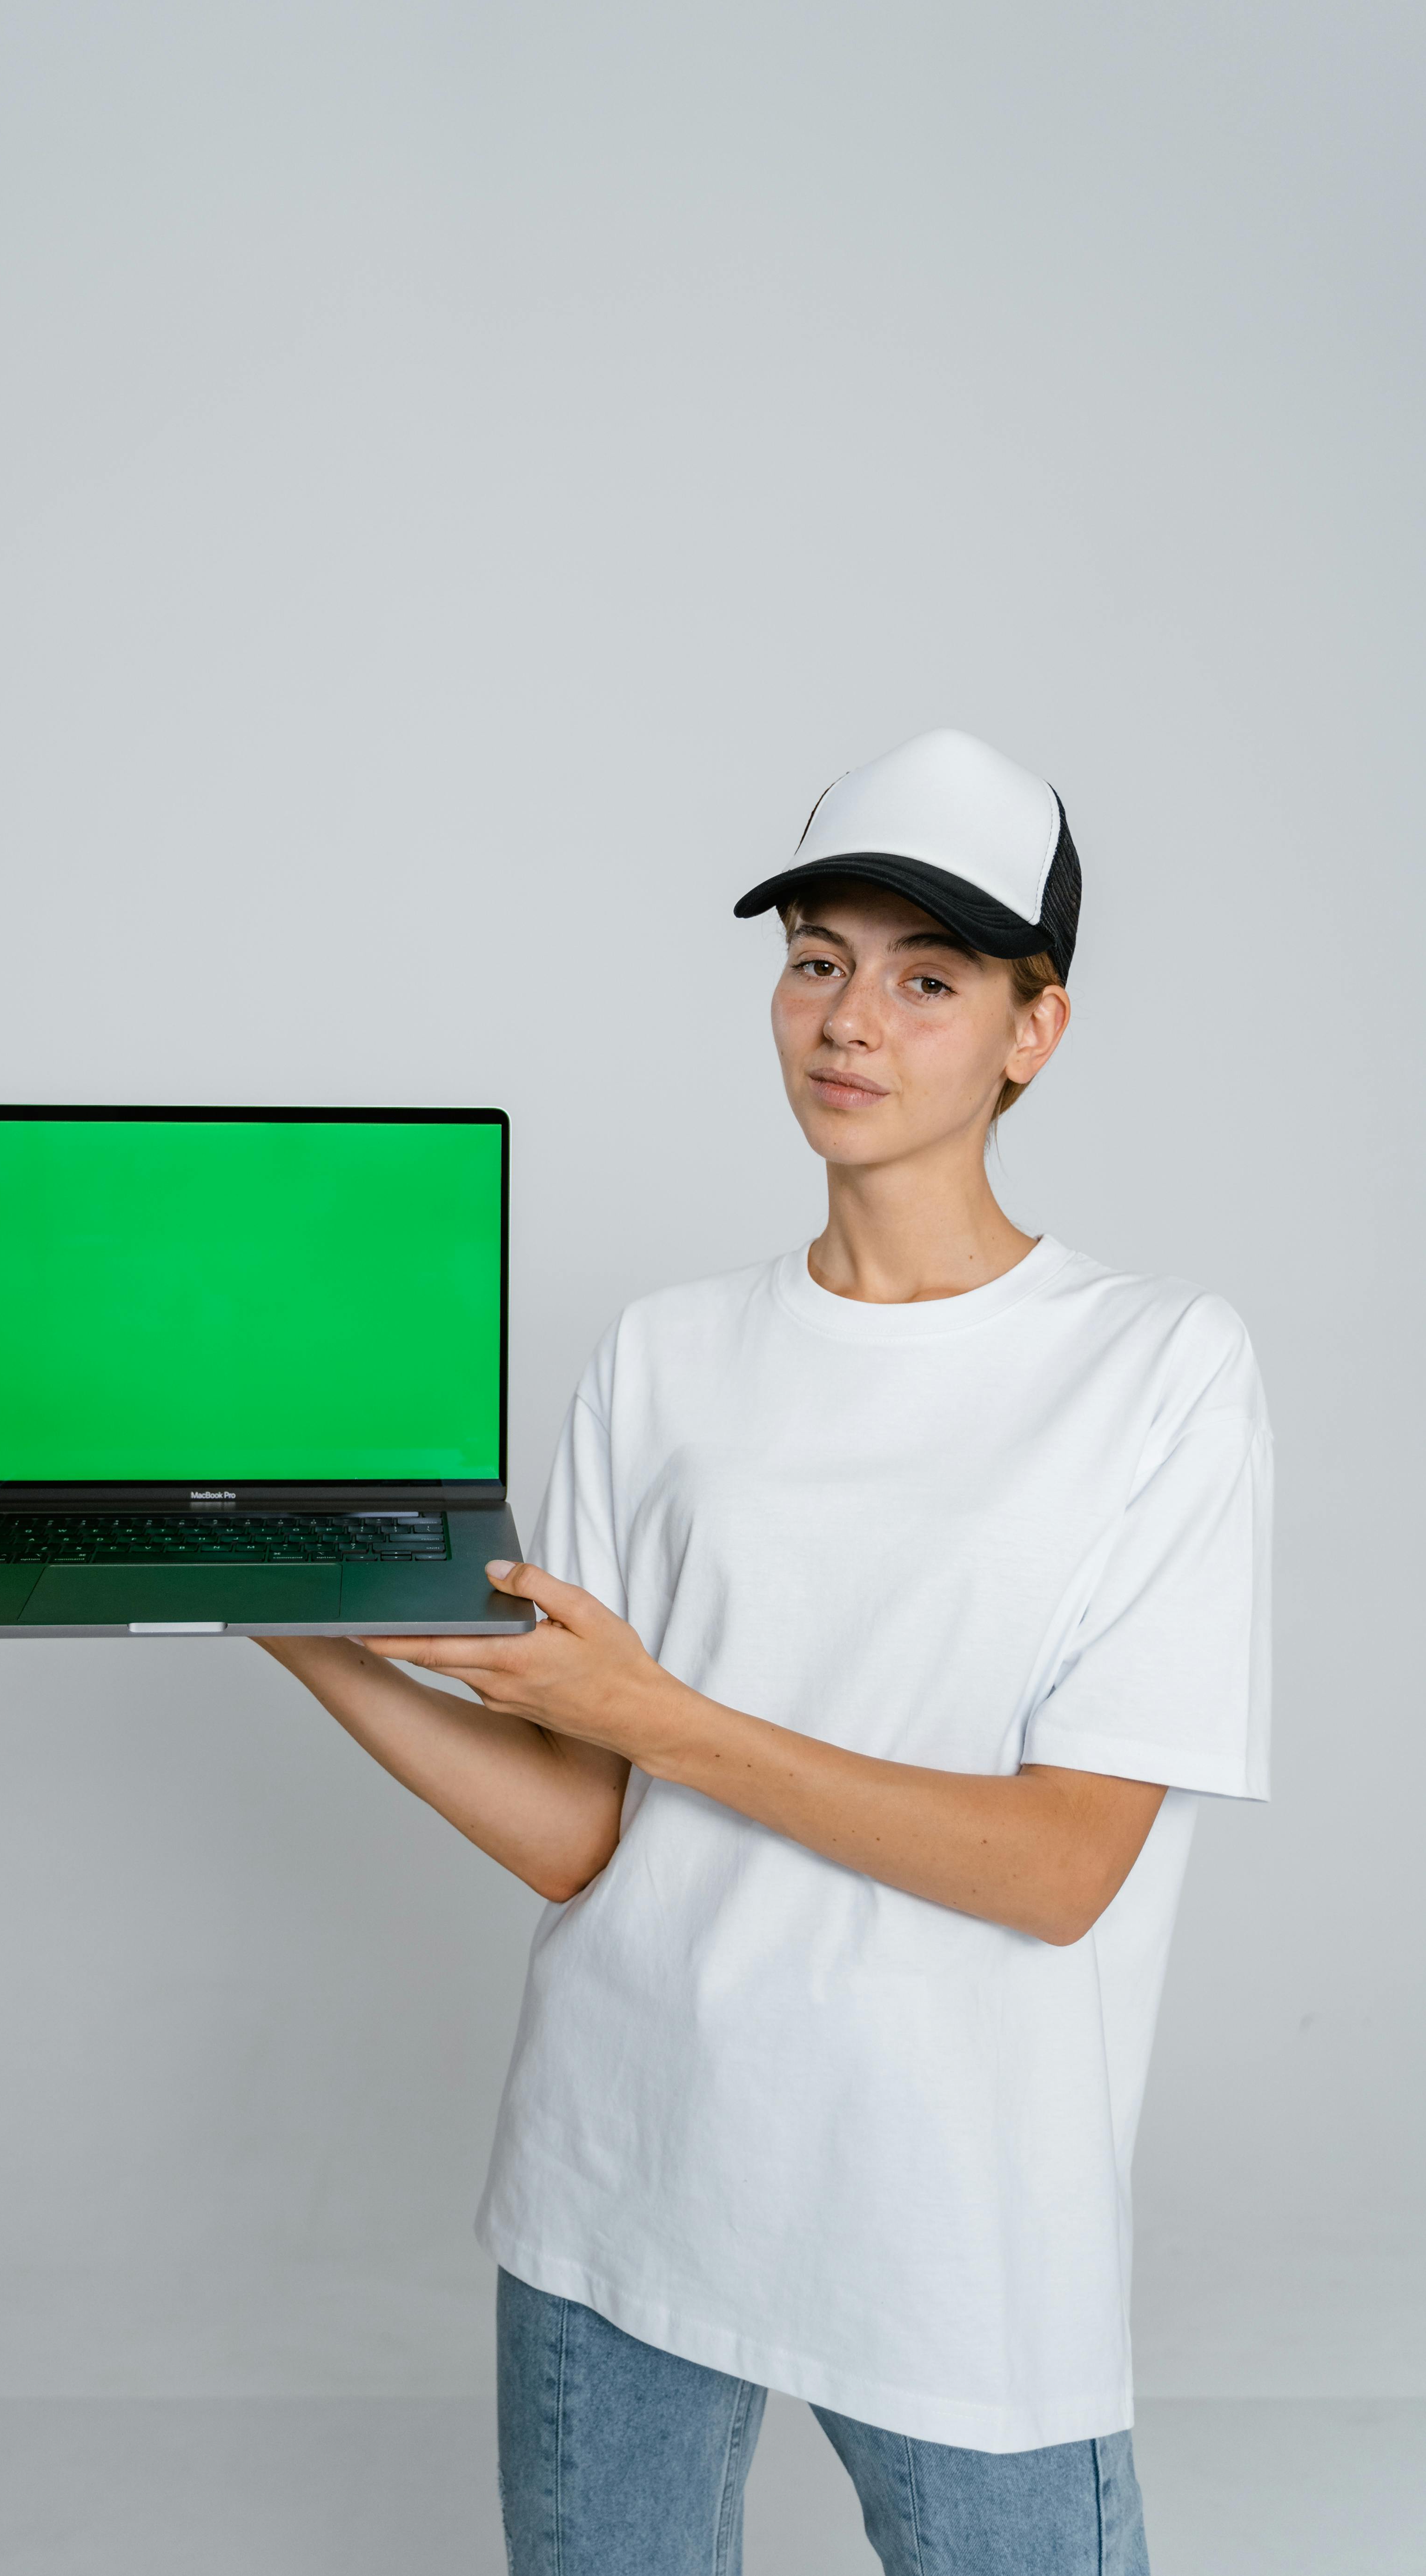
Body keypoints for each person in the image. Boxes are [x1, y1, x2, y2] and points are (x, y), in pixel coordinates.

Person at [257, 729, 1272, 2576]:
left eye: (925, 977)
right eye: (814, 959)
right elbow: (587, 1836)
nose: (847, 1021)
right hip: (618, 2169)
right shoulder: (660, 1356)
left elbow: (1058, 1871)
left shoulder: (1158, 1369)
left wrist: (661, 1716)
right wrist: (300, 1629)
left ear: (1033, 1030)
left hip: (955, 2218)